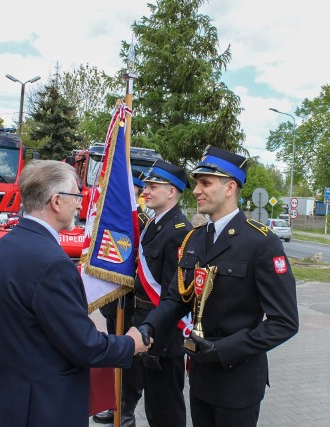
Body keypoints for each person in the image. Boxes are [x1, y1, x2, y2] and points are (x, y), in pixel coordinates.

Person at [0, 160, 151, 427]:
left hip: (13, 397)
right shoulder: (52, 263)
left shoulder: (5, 246)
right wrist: (131, 343)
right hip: (44, 404)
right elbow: (84, 346)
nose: (80, 203)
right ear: (56, 201)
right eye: (76, 195)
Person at [140, 146, 299, 427]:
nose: (197, 190)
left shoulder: (261, 243)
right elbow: (177, 299)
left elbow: (284, 322)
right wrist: (149, 327)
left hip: (238, 380)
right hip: (201, 377)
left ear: (230, 188)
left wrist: (224, 349)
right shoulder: (195, 239)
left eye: (205, 183)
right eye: (197, 183)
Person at [132, 160, 192, 427]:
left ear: (171, 192)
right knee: (154, 407)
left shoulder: (179, 231)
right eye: (146, 185)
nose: (146, 190)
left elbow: (173, 297)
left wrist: (158, 344)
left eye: (153, 186)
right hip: (146, 329)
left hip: (163, 341)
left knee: (167, 411)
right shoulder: (155, 224)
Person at [92, 170, 148, 425]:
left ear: (134, 191)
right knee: (113, 352)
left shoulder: (142, 221)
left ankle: (127, 409)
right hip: (113, 301)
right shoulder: (112, 217)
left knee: (132, 359)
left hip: (132, 302)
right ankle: (112, 402)